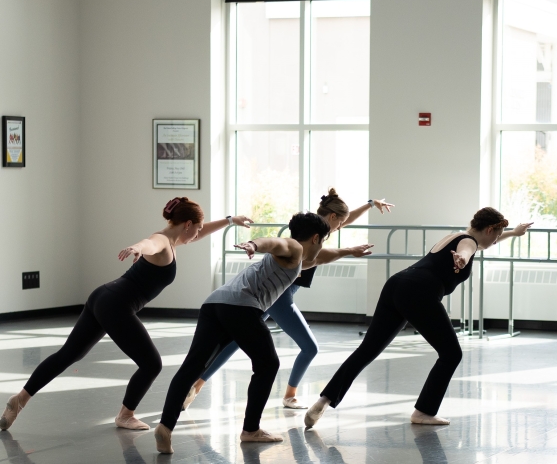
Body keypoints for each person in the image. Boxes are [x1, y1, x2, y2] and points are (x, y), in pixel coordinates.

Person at [0, 198, 253, 432]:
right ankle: (125, 414)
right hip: (116, 305)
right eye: (196, 228)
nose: (198, 233)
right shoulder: (162, 241)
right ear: (187, 224)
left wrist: (230, 220)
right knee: (152, 364)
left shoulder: (175, 239)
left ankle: (20, 399)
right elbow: (150, 243)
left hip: (102, 296)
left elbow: (194, 234)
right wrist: (137, 247)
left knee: (69, 354)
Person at [304, 207, 532, 427]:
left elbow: (478, 245)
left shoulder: (457, 236)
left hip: (396, 284)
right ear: (490, 229)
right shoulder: (467, 243)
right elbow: (468, 249)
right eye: (498, 234)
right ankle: (424, 411)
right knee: (451, 353)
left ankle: (323, 401)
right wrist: (462, 259)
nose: (496, 240)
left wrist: (513, 233)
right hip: (419, 291)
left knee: (368, 349)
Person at [183, 189, 394, 410]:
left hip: (275, 294)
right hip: (280, 296)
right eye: (339, 223)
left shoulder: (316, 229)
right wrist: (350, 249)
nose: (342, 226)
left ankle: (195, 386)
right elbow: (285, 246)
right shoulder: (311, 236)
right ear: (331, 218)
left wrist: (370, 204)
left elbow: (346, 219)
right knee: (309, 348)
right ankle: (290, 395)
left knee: (236, 340)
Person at [155, 212, 331, 454]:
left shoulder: (298, 259)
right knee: (268, 364)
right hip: (240, 307)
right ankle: (250, 430)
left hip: (214, 303)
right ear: (315, 238)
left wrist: (351, 252)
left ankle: (165, 426)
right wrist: (254, 244)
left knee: (192, 366)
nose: (322, 247)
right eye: (323, 241)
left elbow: (324, 256)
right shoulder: (293, 247)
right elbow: (272, 242)